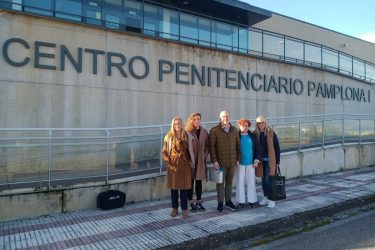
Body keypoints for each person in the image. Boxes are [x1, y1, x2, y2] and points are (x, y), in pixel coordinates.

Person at [209, 110, 241, 212]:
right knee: (220, 183)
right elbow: (212, 147)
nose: (225, 118)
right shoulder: (214, 130)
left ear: (229, 117)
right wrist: (214, 161)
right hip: (221, 163)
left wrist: (238, 159)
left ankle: (228, 201)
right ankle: (220, 203)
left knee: (229, 183)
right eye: (223, 117)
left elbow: (238, 146)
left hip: (232, 163)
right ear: (220, 118)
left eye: (227, 116)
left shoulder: (234, 130)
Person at [162, 117, 192, 218]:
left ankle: (185, 209)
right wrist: (168, 160)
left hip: (184, 165)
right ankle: (174, 209)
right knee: (174, 189)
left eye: (179, 123)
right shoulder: (169, 136)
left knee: (184, 189)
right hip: (173, 166)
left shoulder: (186, 135)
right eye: (175, 124)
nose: (177, 125)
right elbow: (165, 151)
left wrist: (190, 160)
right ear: (173, 125)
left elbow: (191, 149)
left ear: (182, 124)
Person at [254, 115, 281, 208]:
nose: (261, 124)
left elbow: (277, 147)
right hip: (260, 161)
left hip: (270, 160)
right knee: (263, 180)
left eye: (262, 122)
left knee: (269, 180)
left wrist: (278, 161)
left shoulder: (270, 132)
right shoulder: (255, 133)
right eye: (259, 123)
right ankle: (266, 197)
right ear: (257, 124)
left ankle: (272, 199)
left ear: (265, 123)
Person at [185, 112, 209, 212]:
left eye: (198, 119)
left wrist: (205, 156)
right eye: (194, 119)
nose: (196, 121)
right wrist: (188, 159)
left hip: (200, 160)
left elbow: (208, 146)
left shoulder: (204, 132)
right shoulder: (188, 131)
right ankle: (190, 202)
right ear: (191, 120)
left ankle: (199, 202)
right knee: (190, 182)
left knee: (199, 182)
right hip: (191, 160)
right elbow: (185, 147)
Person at [236, 118, 261, 209]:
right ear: (239, 126)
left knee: (251, 182)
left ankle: (252, 201)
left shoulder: (253, 136)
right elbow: (234, 148)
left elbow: (258, 149)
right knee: (240, 182)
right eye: (243, 125)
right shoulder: (236, 136)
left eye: (247, 125)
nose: (245, 127)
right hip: (240, 163)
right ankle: (241, 202)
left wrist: (256, 160)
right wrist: (236, 159)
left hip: (251, 163)